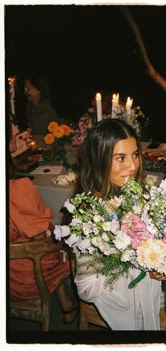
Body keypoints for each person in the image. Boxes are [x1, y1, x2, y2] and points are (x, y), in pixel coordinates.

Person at [72, 118, 166, 330]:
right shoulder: (90, 214)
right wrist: (145, 267)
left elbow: (155, 236)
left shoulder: (133, 192)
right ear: (99, 160)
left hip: (144, 283)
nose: (133, 165)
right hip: (122, 297)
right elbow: (87, 288)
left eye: (135, 155)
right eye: (121, 158)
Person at [9, 123, 78, 324]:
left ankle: (66, 303)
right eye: (9, 125)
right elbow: (40, 237)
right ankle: (71, 303)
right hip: (21, 278)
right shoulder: (18, 189)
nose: (15, 127)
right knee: (65, 242)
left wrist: (10, 154)